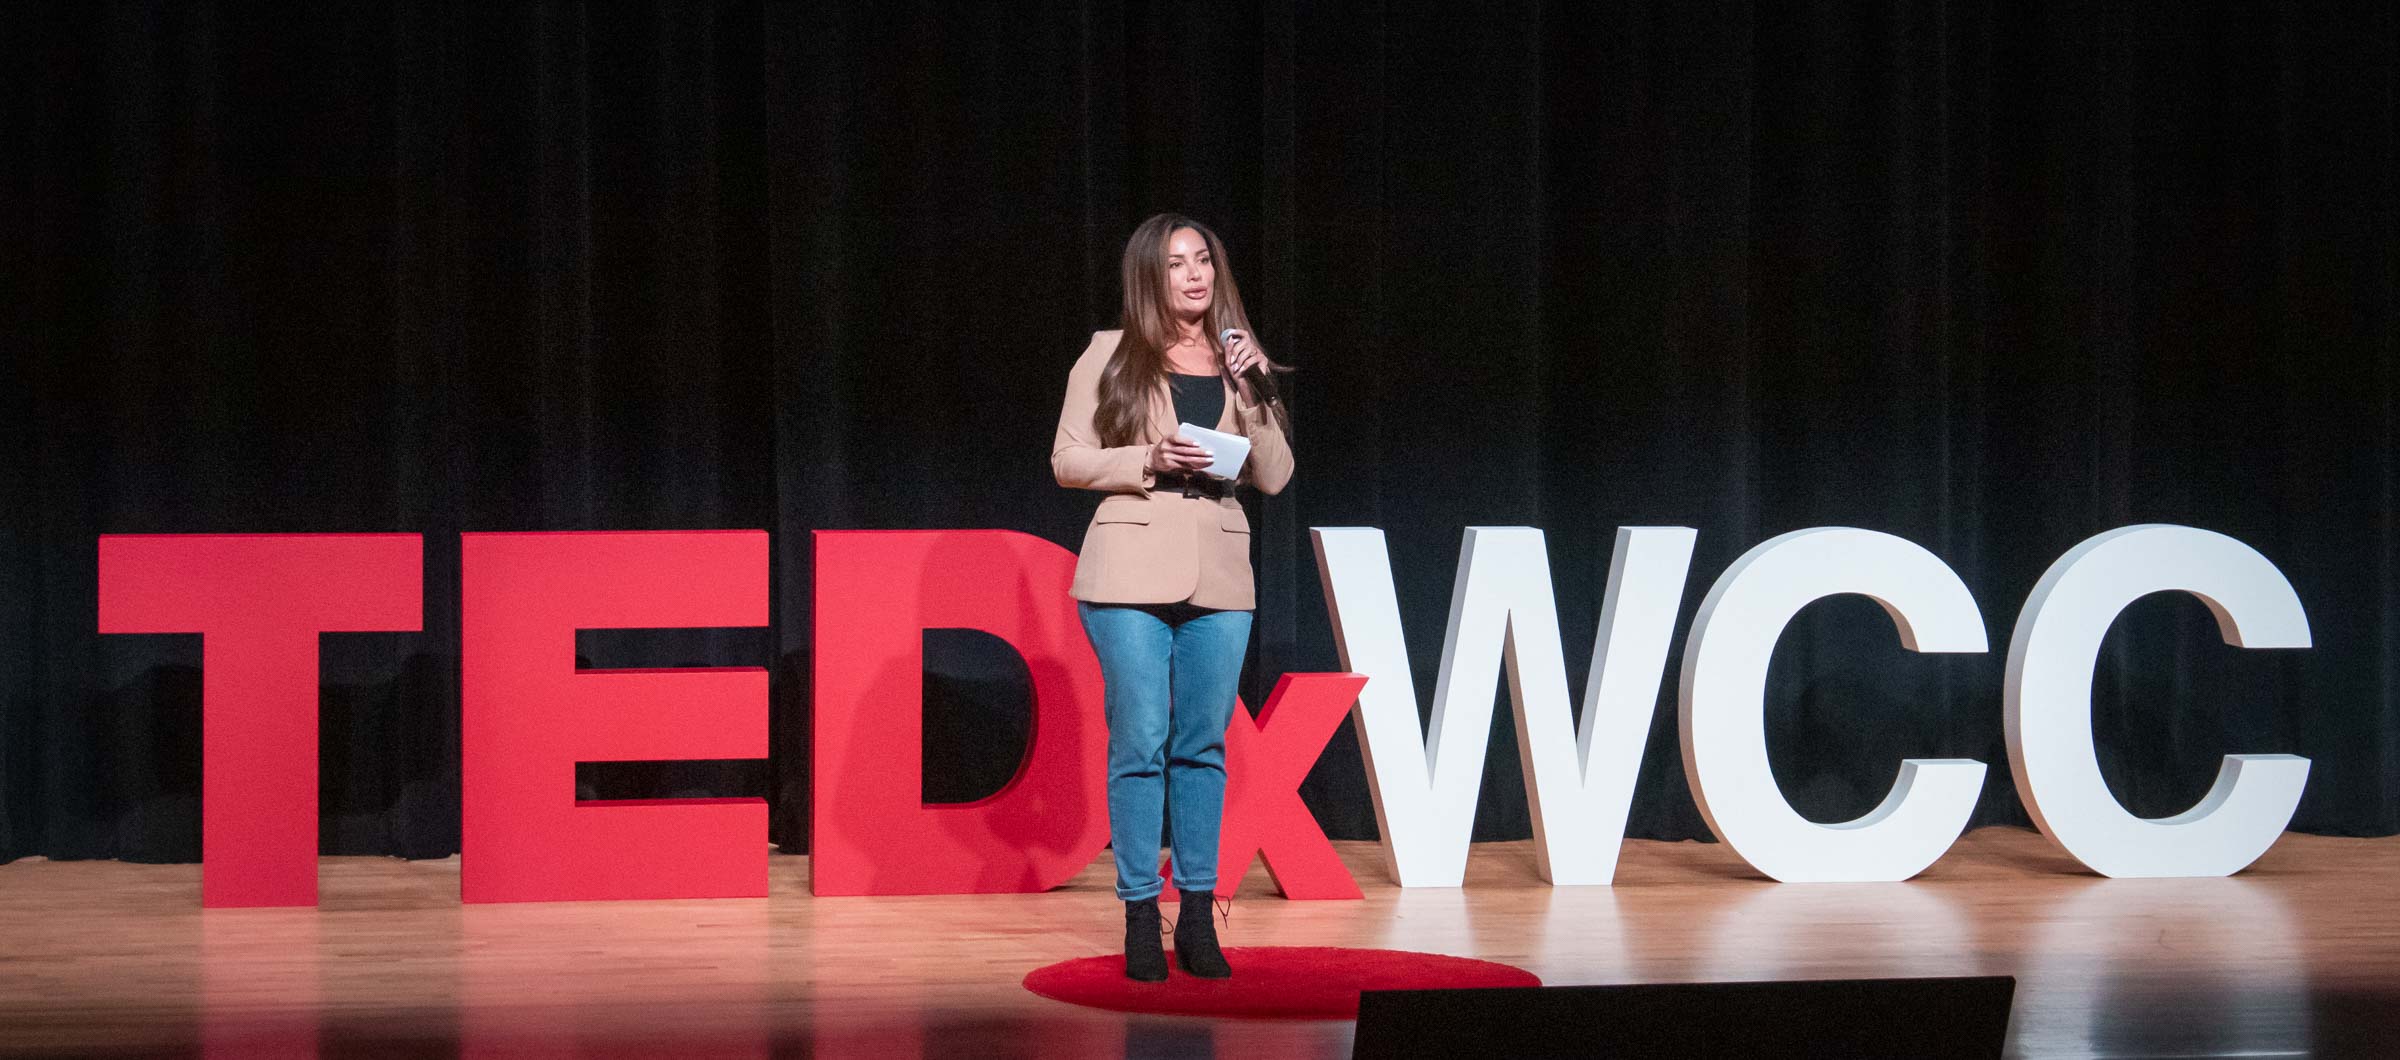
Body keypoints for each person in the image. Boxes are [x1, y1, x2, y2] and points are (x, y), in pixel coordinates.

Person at [1051, 213, 1293, 982]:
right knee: (1141, 741)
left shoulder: (1237, 365)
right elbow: (1067, 461)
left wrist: (1254, 387)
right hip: (1127, 572)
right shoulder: (1107, 355)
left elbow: (1277, 476)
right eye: (1176, 263)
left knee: (1203, 746)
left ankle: (1196, 916)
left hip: (1220, 578)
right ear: (1149, 277)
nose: (1194, 275)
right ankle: (1136, 916)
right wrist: (1147, 457)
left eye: (1203, 261)